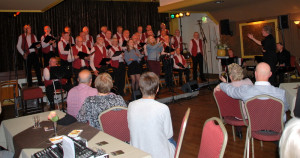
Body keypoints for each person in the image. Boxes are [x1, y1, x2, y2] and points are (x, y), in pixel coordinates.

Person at [214, 62, 289, 122]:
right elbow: (285, 108)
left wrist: (222, 84)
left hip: (254, 126)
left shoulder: (245, 90)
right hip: (275, 128)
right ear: (270, 74)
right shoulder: (280, 93)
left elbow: (232, 91)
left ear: (255, 73)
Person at [128, 72, 175, 158]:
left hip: (137, 152)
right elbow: (168, 134)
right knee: (172, 142)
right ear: (157, 89)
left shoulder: (131, 105)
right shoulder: (163, 108)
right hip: (158, 154)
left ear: (140, 88)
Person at [219, 63, 253, 139]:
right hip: (251, 114)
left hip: (238, 115)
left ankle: (239, 132)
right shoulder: (249, 81)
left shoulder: (229, 87)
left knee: (232, 105)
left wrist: (225, 83)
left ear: (230, 76)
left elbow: (231, 88)